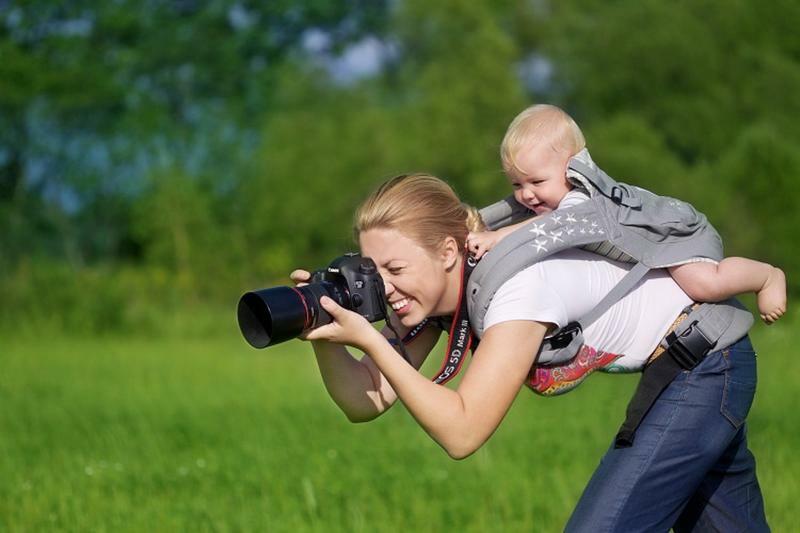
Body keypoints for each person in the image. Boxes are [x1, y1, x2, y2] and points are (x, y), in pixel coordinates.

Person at [291, 173, 769, 531]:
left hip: (703, 365)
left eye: (395, 268)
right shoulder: (434, 301)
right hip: (697, 365)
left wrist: (372, 338)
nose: (386, 288)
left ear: (447, 253)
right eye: (375, 273)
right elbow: (365, 399)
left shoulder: (516, 290)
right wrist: (322, 327)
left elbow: (462, 432)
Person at [467, 104, 787, 327]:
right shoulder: (547, 199)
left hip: (675, 237)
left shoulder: (580, 201)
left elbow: (545, 228)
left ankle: (766, 276)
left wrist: (495, 238)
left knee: (704, 284)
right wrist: (474, 224)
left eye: (537, 182)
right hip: (658, 241)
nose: (526, 194)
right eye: (516, 184)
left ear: (572, 168)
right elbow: (513, 212)